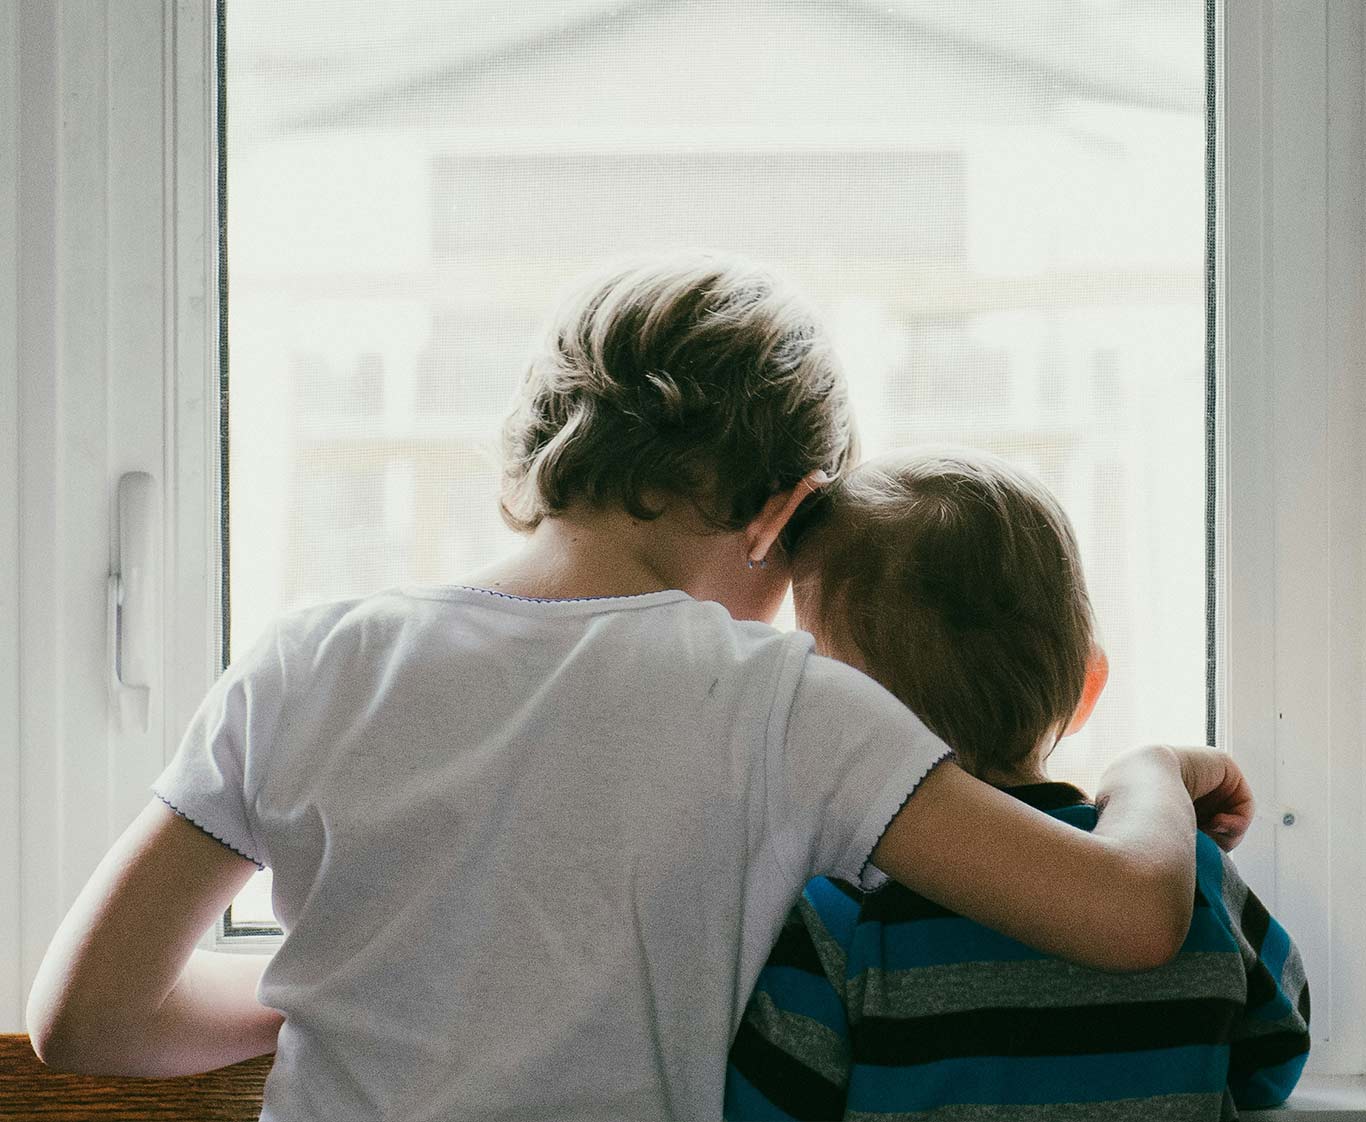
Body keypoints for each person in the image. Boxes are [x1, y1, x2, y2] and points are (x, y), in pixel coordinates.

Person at [27, 254, 1251, 1122]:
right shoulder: (780, 703)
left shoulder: (311, 656)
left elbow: (86, 1019)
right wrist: (1151, 769)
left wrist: (354, 977)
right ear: (786, 509)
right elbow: (1131, 917)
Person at [726, 448, 1310, 1121]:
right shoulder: (1187, 876)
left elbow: (764, 1105)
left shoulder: (839, 915)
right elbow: (1276, 1062)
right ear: (1088, 685)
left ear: (845, 716)